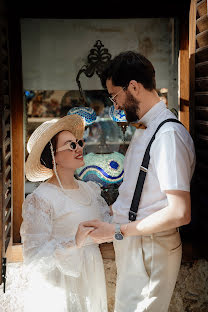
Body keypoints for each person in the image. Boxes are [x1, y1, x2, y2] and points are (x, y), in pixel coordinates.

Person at [82, 51, 196, 312]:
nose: (116, 105)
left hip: (150, 247)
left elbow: (180, 212)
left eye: (115, 96)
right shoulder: (148, 127)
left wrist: (118, 231)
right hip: (136, 242)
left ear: (133, 87)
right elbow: (139, 193)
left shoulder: (167, 135)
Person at [20, 114, 111, 312]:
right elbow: (34, 256)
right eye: (71, 145)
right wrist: (74, 242)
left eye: (79, 142)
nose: (79, 148)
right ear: (54, 156)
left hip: (91, 276)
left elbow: (107, 222)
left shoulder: (89, 190)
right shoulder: (41, 198)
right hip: (61, 284)